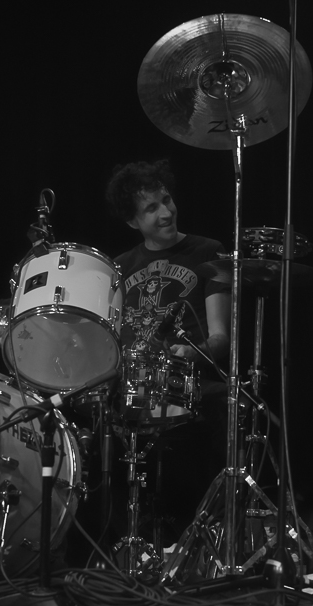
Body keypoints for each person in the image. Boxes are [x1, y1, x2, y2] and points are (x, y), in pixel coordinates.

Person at [105, 159, 232, 545]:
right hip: (134, 391)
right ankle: (127, 544)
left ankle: (203, 538)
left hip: (190, 384)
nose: (166, 212)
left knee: (224, 408)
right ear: (133, 222)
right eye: (151, 208)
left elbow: (221, 338)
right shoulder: (119, 268)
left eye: (167, 200)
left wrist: (193, 352)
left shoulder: (209, 252)